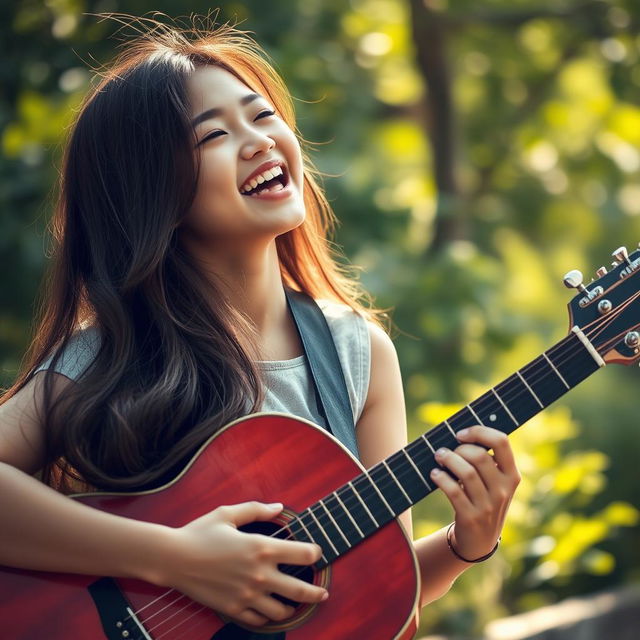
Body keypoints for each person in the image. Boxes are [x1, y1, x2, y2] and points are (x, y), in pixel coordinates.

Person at [0, 16, 520, 633]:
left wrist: (466, 545)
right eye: (212, 135)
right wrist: (176, 559)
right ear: (150, 193)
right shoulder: (113, 355)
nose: (258, 140)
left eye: (263, 115)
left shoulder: (358, 353)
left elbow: (377, 592)